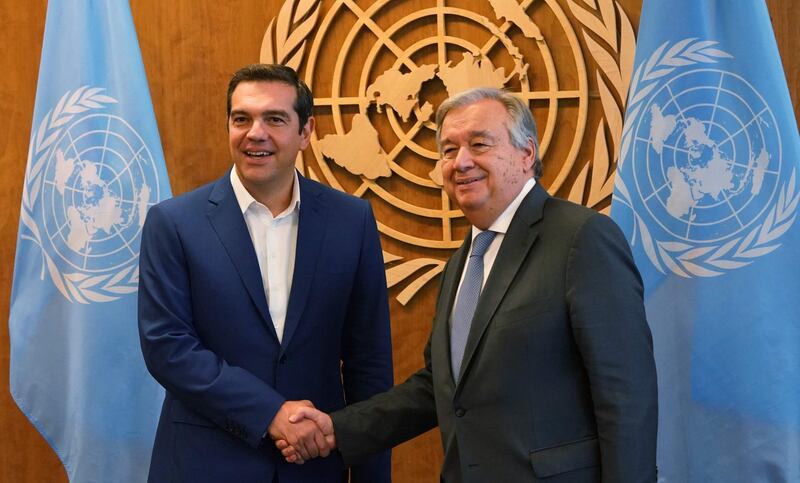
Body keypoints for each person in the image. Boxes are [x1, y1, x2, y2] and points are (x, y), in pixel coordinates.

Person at [279, 87, 658, 482]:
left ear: (527, 154)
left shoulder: (581, 238)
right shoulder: (464, 261)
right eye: (447, 149)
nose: (460, 162)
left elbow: (626, 396)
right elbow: (439, 388)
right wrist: (335, 430)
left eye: (479, 144)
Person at [138, 63, 393, 483]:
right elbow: (167, 347)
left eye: (275, 119)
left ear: (306, 131)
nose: (256, 133)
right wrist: (270, 413)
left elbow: (369, 364)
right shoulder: (174, 223)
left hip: (315, 467)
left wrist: (372, 477)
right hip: (204, 466)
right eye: (242, 119)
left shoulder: (352, 221)